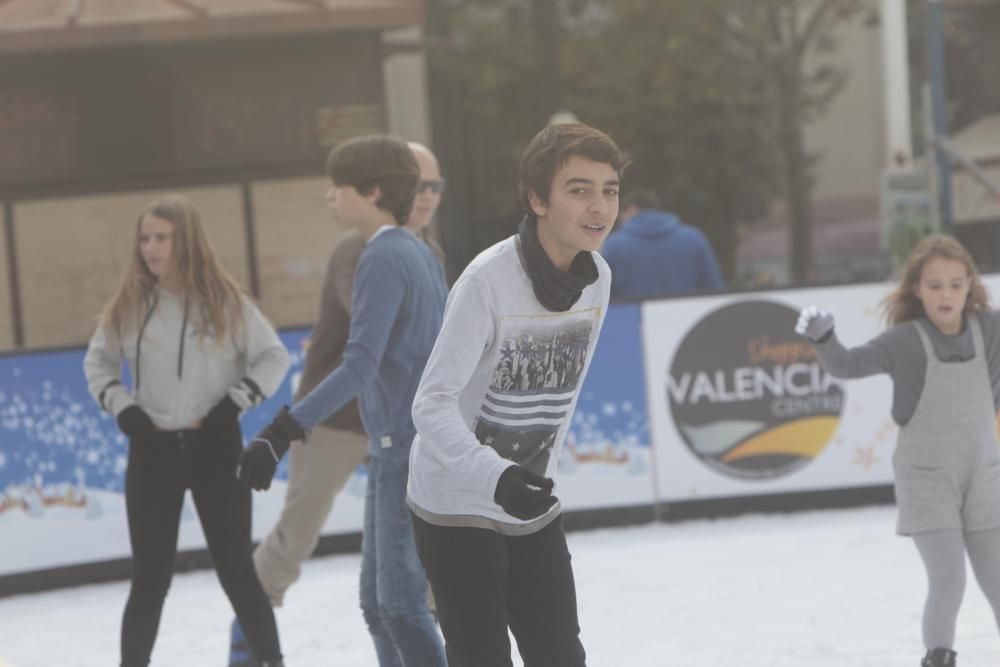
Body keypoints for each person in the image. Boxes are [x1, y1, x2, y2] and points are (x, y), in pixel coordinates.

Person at [405, 122, 628, 666]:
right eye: (579, 190)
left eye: (610, 190)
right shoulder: (487, 280)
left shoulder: (597, 278)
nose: (599, 206)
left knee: (559, 655)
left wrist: (525, 478)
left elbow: (559, 394)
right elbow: (429, 404)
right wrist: (493, 475)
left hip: (530, 500)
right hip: (455, 504)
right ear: (537, 199)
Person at [228, 142, 447, 665]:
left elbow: (360, 363)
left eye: (337, 186)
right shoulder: (417, 253)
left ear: (371, 192)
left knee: (401, 606)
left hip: (401, 446)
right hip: (397, 441)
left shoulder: (383, 256)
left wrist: (282, 430)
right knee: (379, 604)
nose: (329, 197)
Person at [83, 194, 289, 667]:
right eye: (144, 238)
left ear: (187, 241)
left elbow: (273, 356)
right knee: (150, 578)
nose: (151, 248)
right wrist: (124, 408)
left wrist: (234, 403)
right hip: (153, 451)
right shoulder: (129, 305)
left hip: (215, 449)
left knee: (238, 571)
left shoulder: (227, 302)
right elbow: (98, 363)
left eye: (162, 238)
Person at [796, 234, 1000, 667]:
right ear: (917, 290)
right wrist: (824, 338)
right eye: (935, 285)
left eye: (955, 284)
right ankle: (939, 659)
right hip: (926, 479)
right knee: (949, 580)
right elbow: (846, 365)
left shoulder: (990, 330)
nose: (946, 294)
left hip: (984, 473)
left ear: (970, 287)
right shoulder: (905, 341)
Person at [601, 188, 724, 299]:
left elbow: (600, 297)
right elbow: (714, 290)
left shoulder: (614, 245)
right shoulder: (693, 238)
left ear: (631, 209)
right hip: (688, 321)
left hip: (632, 321)